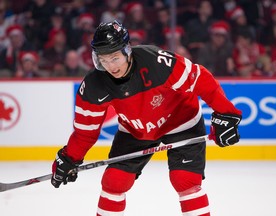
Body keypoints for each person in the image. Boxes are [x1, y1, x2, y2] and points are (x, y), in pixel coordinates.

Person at [50, 20, 242, 216]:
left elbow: (200, 78)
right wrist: (69, 158)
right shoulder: (93, 85)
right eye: (103, 60)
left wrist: (227, 113)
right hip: (136, 130)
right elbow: (85, 132)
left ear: (127, 50)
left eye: (115, 58)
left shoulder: (156, 62)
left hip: (181, 120)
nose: (110, 66)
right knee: (114, 181)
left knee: (185, 180)